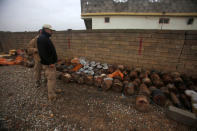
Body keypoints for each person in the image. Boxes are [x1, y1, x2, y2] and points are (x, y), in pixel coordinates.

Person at [37, 24, 59, 101]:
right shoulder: (42, 39)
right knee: (50, 79)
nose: (51, 32)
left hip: (51, 63)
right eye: (51, 30)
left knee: (53, 78)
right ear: (46, 29)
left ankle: (54, 90)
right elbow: (43, 53)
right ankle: (51, 96)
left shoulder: (45, 38)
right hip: (49, 64)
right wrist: (50, 63)